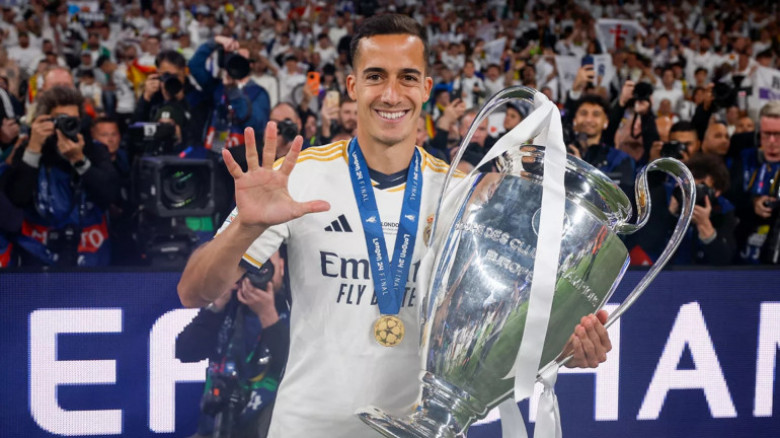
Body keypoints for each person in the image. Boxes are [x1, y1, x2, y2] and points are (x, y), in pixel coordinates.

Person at [178, 14, 612, 438]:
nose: (390, 94)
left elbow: (498, 330)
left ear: (426, 88)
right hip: (307, 427)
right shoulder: (299, 176)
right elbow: (193, 292)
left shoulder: (463, 197)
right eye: (375, 76)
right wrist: (244, 228)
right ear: (352, 86)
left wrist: (562, 351)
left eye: (407, 77)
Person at [177, 252, 289, 438]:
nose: (258, 271)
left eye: (266, 264)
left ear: (282, 267)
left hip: (270, 430)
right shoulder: (227, 305)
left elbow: (295, 364)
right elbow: (185, 352)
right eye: (252, 265)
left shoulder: (295, 309)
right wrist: (216, 305)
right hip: (214, 428)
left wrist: (267, 315)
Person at [3, 86, 118, 266]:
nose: (66, 126)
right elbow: (17, 197)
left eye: (73, 120)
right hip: (37, 256)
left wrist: (79, 161)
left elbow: (110, 193)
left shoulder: (94, 150)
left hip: (90, 254)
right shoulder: (30, 149)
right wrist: (33, 150)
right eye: (59, 119)